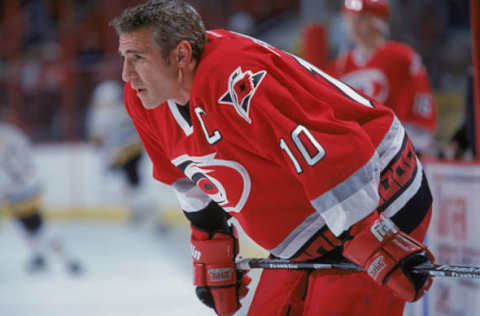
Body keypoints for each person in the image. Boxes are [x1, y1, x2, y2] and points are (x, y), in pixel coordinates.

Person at [110, 1, 435, 315]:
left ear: (181, 54)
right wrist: (210, 235)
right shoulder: (142, 99)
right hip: (311, 229)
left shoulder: (236, 78)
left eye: (137, 58)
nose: (126, 74)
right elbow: (186, 176)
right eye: (125, 57)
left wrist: (368, 234)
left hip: (379, 193)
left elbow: (332, 149)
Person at [327, 0, 437, 157]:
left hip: (398, 147)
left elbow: (419, 109)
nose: (352, 25)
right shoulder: (340, 65)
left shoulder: (401, 57)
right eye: (349, 18)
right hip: (360, 149)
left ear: (377, 22)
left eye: (361, 19)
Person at [0, 121, 83, 274]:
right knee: (29, 225)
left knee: (38, 227)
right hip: (26, 183)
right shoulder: (11, 132)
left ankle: (68, 259)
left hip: (18, 188)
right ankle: (41, 256)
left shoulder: (6, 135)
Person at [86, 78, 163, 227]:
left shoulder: (107, 112)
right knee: (133, 183)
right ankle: (141, 211)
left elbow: (99, 134)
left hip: (125, 150)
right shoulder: (123, 106)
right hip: (132, 147)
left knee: (133, 183)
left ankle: (145, 212)